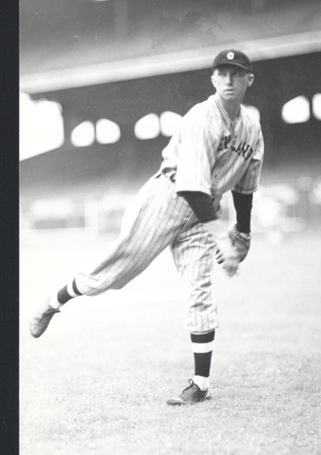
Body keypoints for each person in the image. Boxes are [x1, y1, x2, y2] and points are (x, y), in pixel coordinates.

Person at [30, 49, 265, 406]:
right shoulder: (202, 119)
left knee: (200, 292)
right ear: (214, 79)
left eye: (237, 73)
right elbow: (190, 187)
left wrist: (243, 234)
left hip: (206, 209)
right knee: (113, 275)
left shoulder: (251, 127)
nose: (230, 80)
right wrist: (224, 237)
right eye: (223, 73)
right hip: (168, 197)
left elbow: (245, 185)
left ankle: (199, 384)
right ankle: (53, 302)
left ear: (249, 79)